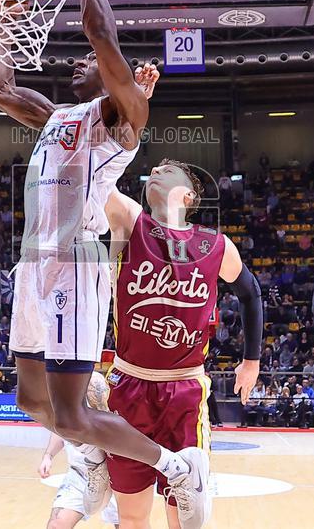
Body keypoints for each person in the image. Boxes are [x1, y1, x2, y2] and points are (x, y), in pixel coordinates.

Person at [0, 0, 208, 527]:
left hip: (74, 267)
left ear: (116, 76)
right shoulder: (58, 116)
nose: (77, 63)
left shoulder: (120, 121)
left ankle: (176, 468)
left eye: (87, 61)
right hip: (33, 263)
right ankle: (95, 458)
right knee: (31, 403)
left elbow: (102, 33)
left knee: (73, 413)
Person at [102, 159, 263, 527]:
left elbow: (252, 294)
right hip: (129, 385)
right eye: (153, 170)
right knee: (131, 516)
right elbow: (94, 178)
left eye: (168, 170)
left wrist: (251, 360)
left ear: (189, 196)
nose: (156, 170)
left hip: (185, 390)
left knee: (187, 517)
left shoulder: (216, 245)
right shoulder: (130, 219)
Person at [38, 373, 119, 529]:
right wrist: (48, 456)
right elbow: (60, 429)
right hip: (80, 474)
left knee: (126, 525)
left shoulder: (94, 382)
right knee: (56, 524)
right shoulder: (61, 389)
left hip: (113, 474)